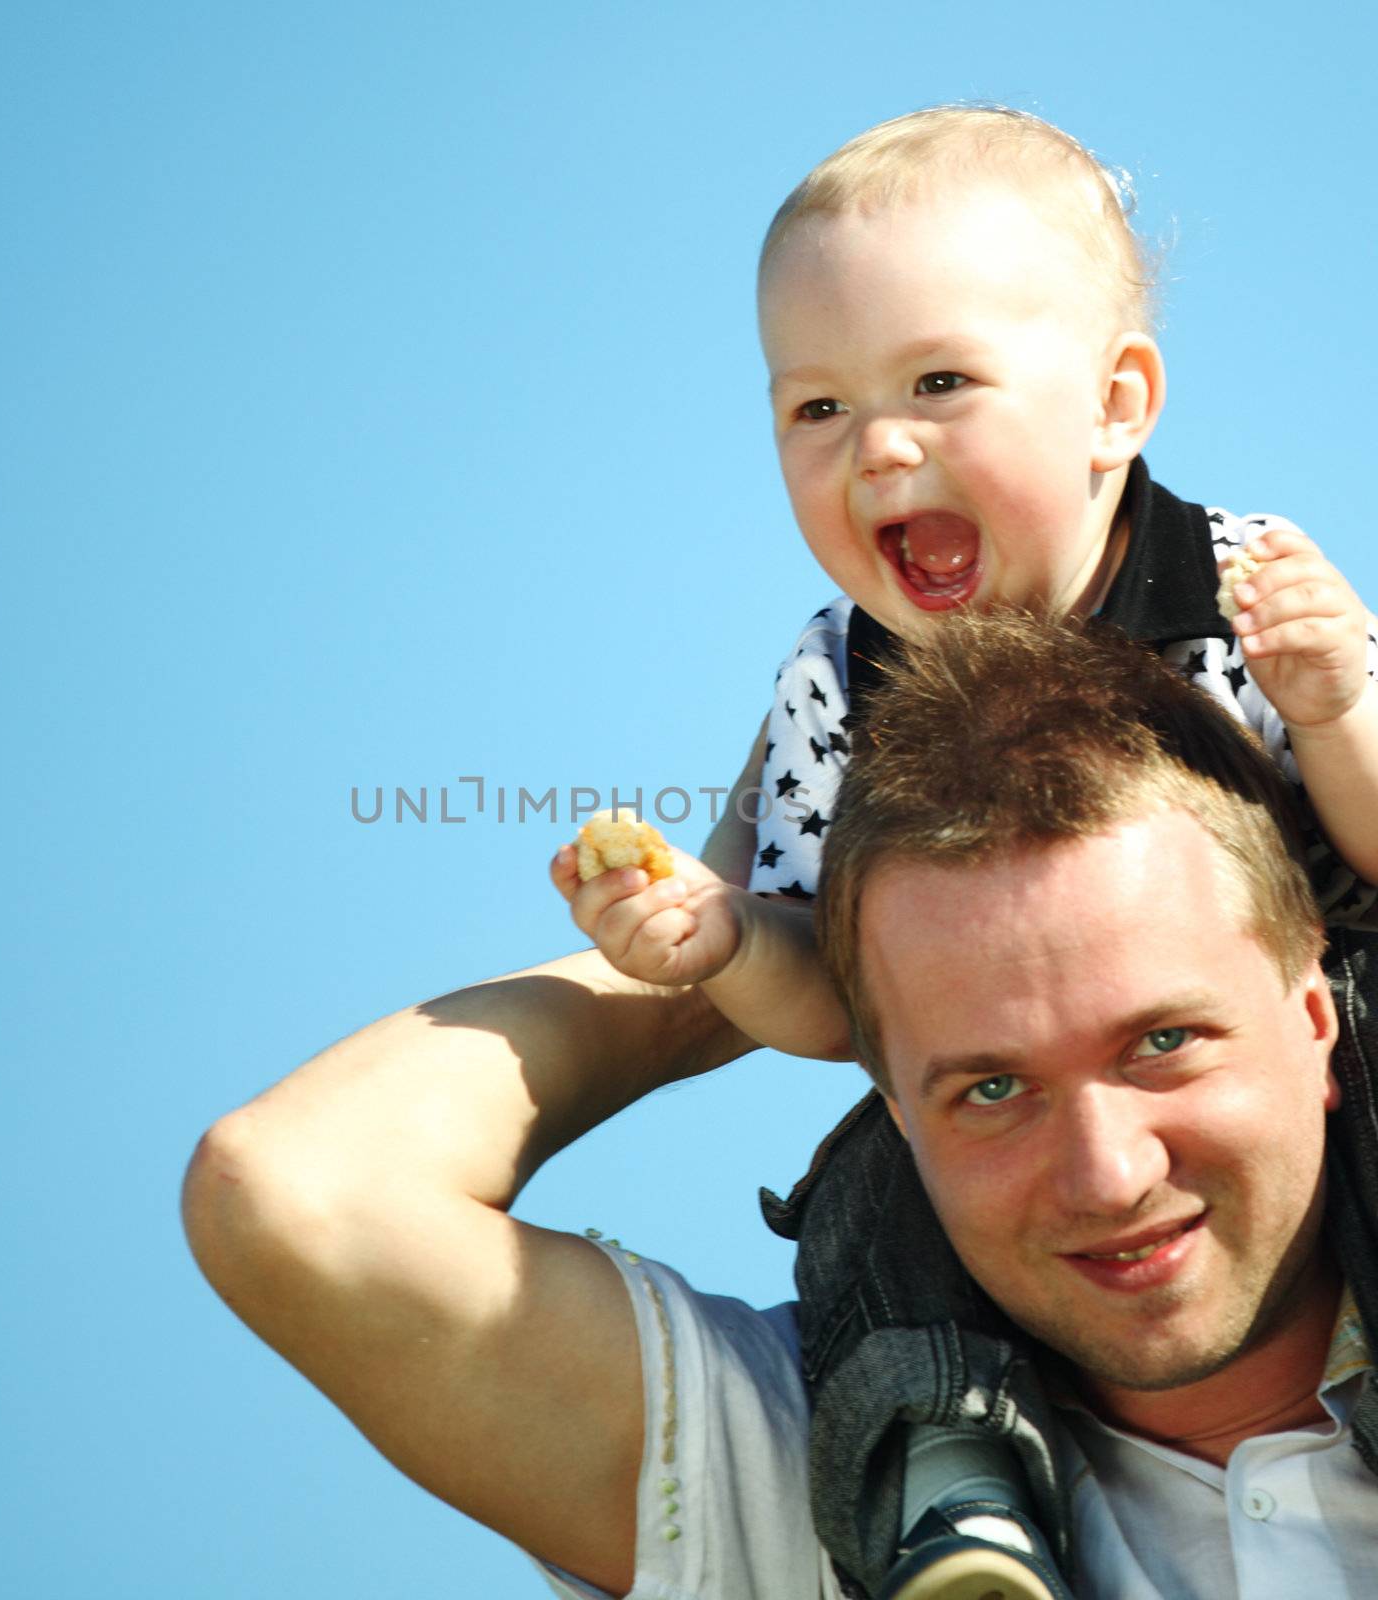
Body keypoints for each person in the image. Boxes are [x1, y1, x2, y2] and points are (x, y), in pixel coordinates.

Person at [551, 106, 1378, 1597]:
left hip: (1327, 1053)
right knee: (882, 1175)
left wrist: (1340, 705)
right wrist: (734, 944)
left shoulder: (1242, 585)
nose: (880, 448)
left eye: (940, 382)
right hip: (1013, 1095)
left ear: (1118, 404)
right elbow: (850, 1014)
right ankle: (954, 1483)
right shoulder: (836, 681)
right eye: (816, 409)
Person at [182, 612, 1378, 1600]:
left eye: (1163, 1041)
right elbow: (296, 1193)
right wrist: (727, 951)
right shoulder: (821, 1487)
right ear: (897, 1112)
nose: (1105, 1171)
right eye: (990, 1086)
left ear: (1316, 1012)